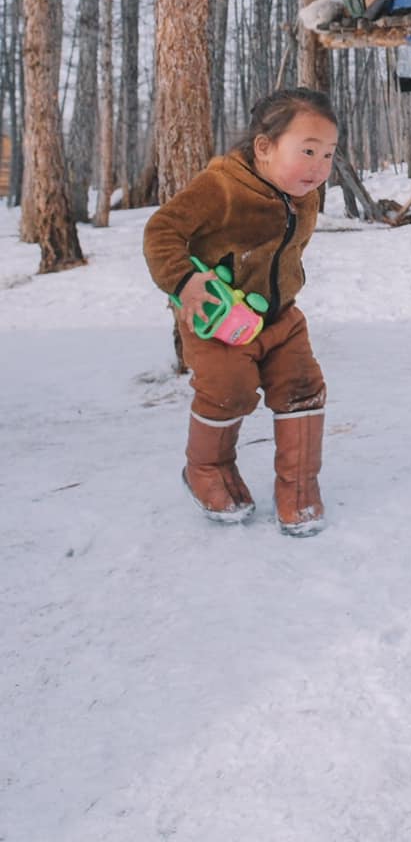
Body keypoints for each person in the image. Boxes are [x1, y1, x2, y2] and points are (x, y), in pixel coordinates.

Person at [143, 88, 338, 535]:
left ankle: (299, 487)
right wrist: (184, 281)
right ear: (264, 148)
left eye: (328, 154)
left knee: (304, 389)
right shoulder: (222, 187)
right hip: (220, 321)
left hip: (281, 316)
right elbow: (160, 231)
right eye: (307, 150)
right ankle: (207, 470)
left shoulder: (300, 193)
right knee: (227, 391)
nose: (319, 166)